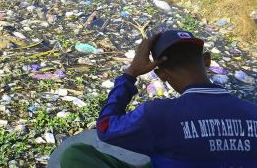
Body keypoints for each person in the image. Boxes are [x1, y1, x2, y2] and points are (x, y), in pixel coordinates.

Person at [60, 29, 257, 168]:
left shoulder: (157, 114)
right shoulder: (253, 111)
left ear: (160, 74)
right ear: (207, 61)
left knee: (75, 155)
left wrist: (130, 75)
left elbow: (105, 127)